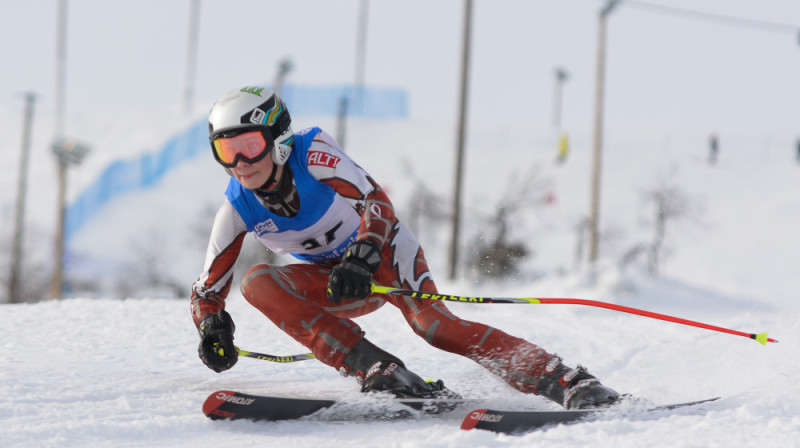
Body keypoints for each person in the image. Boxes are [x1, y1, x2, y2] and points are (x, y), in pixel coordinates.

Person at [190, 85, 621, 409]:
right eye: (226, 151)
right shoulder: (237, 208)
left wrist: (362, 254)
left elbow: (376, 201)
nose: (240, 164)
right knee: (256, 282)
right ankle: (380, 370)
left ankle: (564, 379)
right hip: (337, 284)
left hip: (382, 259)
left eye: (250, 146)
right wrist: (212, 329)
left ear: (279, 137)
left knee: (435, 328)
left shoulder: (313, 152)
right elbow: (206, 293)